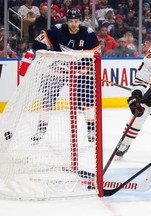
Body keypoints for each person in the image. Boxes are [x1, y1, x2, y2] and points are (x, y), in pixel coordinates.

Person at [31, 8, 100, 143]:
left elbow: (96, 55)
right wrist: (50, 56)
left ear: (80, 21)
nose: (74, 24)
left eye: (76, 21)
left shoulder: (88, 33)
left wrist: (88, 68)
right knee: (48, 99)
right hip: (58, 70)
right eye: (71, 21)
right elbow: (37, 44)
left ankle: (91, 130)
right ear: (67, 21)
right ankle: (41, 130)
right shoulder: (56, 30)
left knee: (88, 101)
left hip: (80, 72)